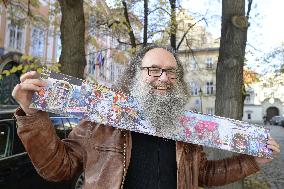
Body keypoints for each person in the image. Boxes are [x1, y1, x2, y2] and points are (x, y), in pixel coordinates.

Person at [12, 45, 280, 189]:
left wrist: (252, 161)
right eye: (153, 69)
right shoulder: (101, 120)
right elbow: (58, 168)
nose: (164, 78)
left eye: (171, 72)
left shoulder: (186, 129)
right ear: (135, 75)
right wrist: (33, 115)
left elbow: (205, 174)